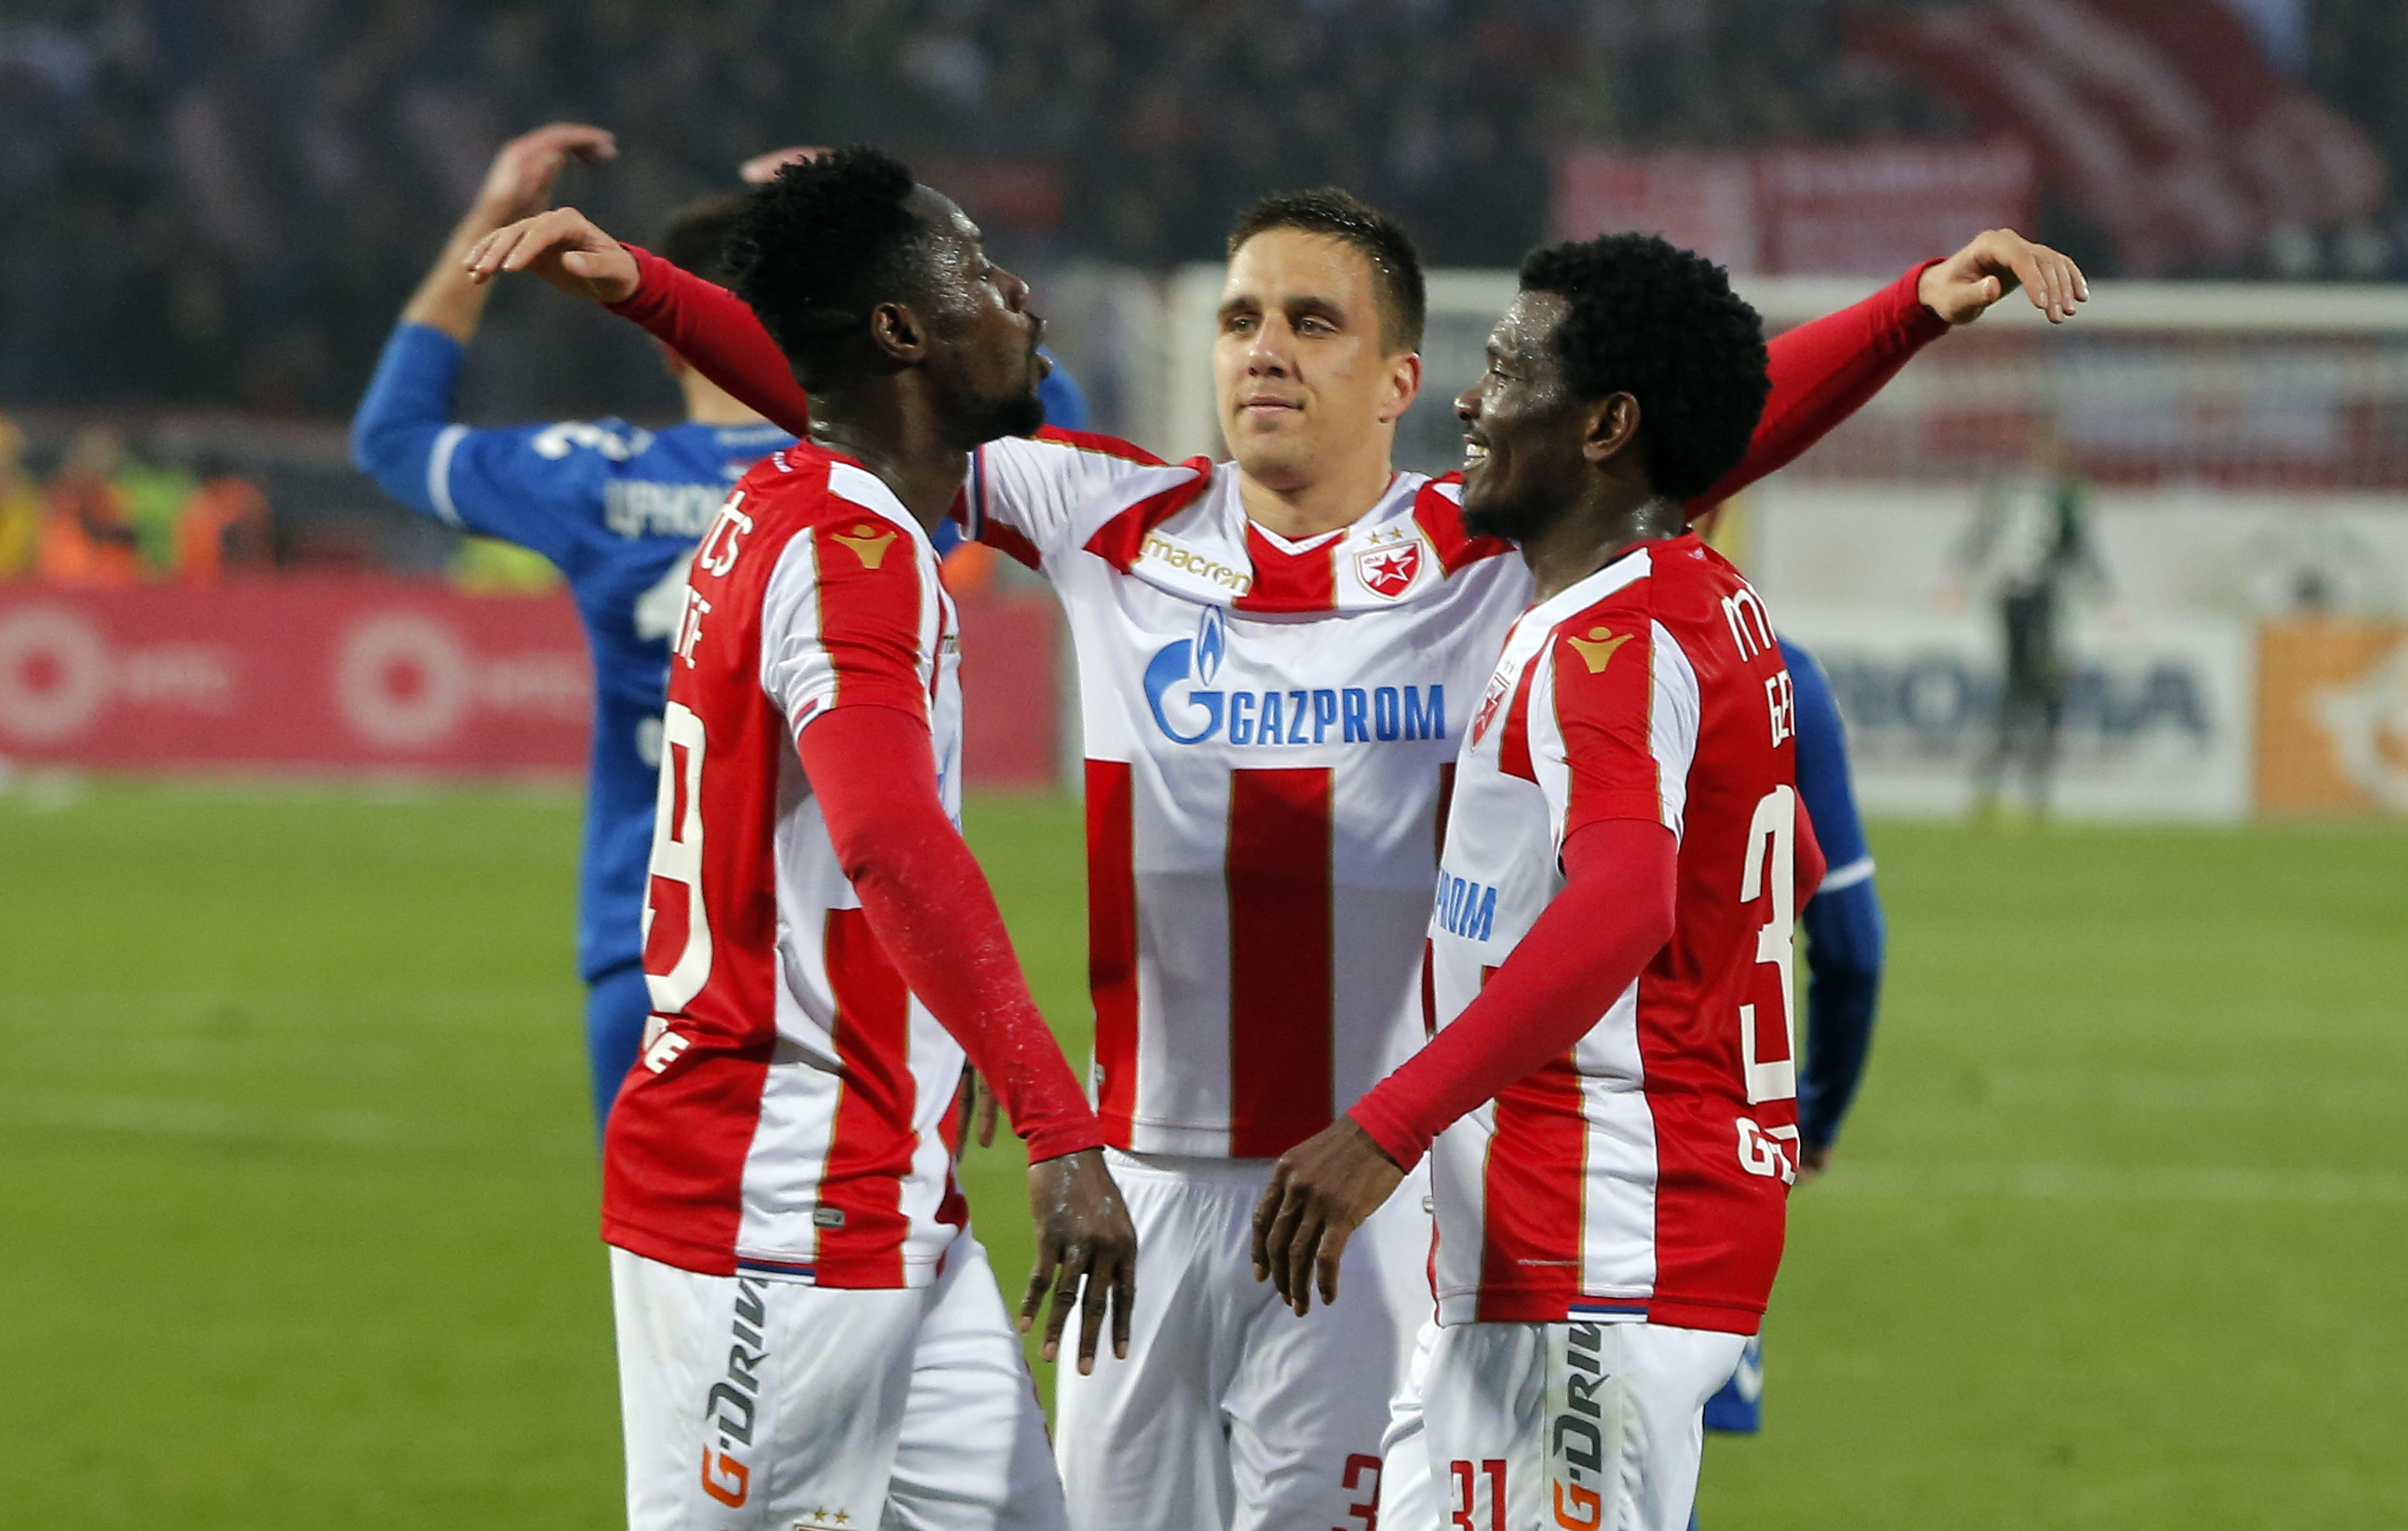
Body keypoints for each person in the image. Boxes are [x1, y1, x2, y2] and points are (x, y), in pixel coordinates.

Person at [480, 182, 2083, 1530]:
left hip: (1359, 1198)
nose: (1264, 349)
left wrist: (1913, 310)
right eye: (1244, 317)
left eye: (1312, 322)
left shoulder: (1474, 543)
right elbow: (859, 385)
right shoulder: (1103, 512)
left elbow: (1685, 430)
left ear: (1400, 377)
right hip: (1137, 1186)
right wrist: (657, 297)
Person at [466, 146, 1137, 1531]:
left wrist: (649, 292)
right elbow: (887, 834)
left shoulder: (816, 502)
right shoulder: (852, 554)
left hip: (885, 1188)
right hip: (774, 1194)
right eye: (975, 272)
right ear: (901, 332)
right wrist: (1061, 1123)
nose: (1018, 297)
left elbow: (828, 386)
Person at [1251, 232, 1823, 1531]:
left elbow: (1625, 899)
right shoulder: (1698, 600)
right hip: (1582, 1251)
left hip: (1588, 1254)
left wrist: (1383, 1126)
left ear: (1605, 424)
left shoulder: (1606, 645)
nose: (1469, 397)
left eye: (1507, 369)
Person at [352, 122, 1085, 1130]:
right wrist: (866, 228)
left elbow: (392, 439)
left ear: (670, 336)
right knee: (873, 1263)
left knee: (682, 1263)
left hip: (652, 935)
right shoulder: (891, 469)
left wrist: (489, 220)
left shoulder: (599, 475)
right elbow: (1045, 433)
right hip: (864, 950)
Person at [1694, 633, 1887, 1458]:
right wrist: (1816, 1115)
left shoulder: (1485, 637)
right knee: (1654, 1475)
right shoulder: (1776, 673)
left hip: (1480, 1138)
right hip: (1703, 1145)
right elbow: (1852, 948)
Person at [1953, 425, 2108, 820]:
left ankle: (2017, 786)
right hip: (2025, 604)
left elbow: (2079, 549)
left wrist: (2103, 593)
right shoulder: (2031, 494)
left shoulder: (2054, 495)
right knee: (2029, 690)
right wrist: (1958, 574)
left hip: (2037, 603)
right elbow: (1983, 535)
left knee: (2032, 691)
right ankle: (2009, 786)